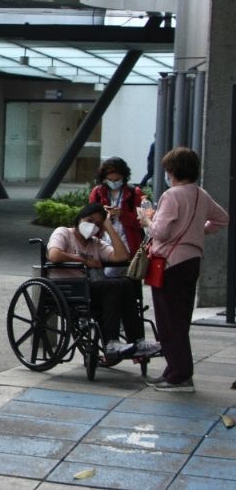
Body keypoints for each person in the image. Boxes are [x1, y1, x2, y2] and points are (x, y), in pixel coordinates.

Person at [138, 147, 228, 392]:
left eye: (167, 170)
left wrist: (147, 220)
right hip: (192, 260)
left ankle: (179, 374)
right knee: (180, 318)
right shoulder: (201, 194)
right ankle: (175, 370)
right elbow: (222, 219)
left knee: (168, 320)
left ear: (172, 171)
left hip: (169, 263)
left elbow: (161, 232)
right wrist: (198, 232)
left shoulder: (172, 195)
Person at [46, 203, 160, 360]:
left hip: (90, 290)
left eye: (97, 224)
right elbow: (54, 255)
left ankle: (137, 341)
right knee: (111, 286)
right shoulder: (64, 233)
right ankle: (111, 342)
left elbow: (122, 256)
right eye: (89, 220)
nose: (92, 226)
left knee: (126, 283)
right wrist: (85, 261)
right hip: (68, 288)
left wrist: (108, 227)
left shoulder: (96, 243)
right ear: (80, 218)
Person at [88, 157, 145, 276]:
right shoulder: (98, 192)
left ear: (124, 177)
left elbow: (140, 222)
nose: (113, 183)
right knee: (101, 274)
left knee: (110, 274)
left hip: (126, 242)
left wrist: (123, 214)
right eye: (110, 179)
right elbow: (88, 218)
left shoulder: (134, 192)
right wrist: (101, 214)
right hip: (103, 241)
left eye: (117, 179)